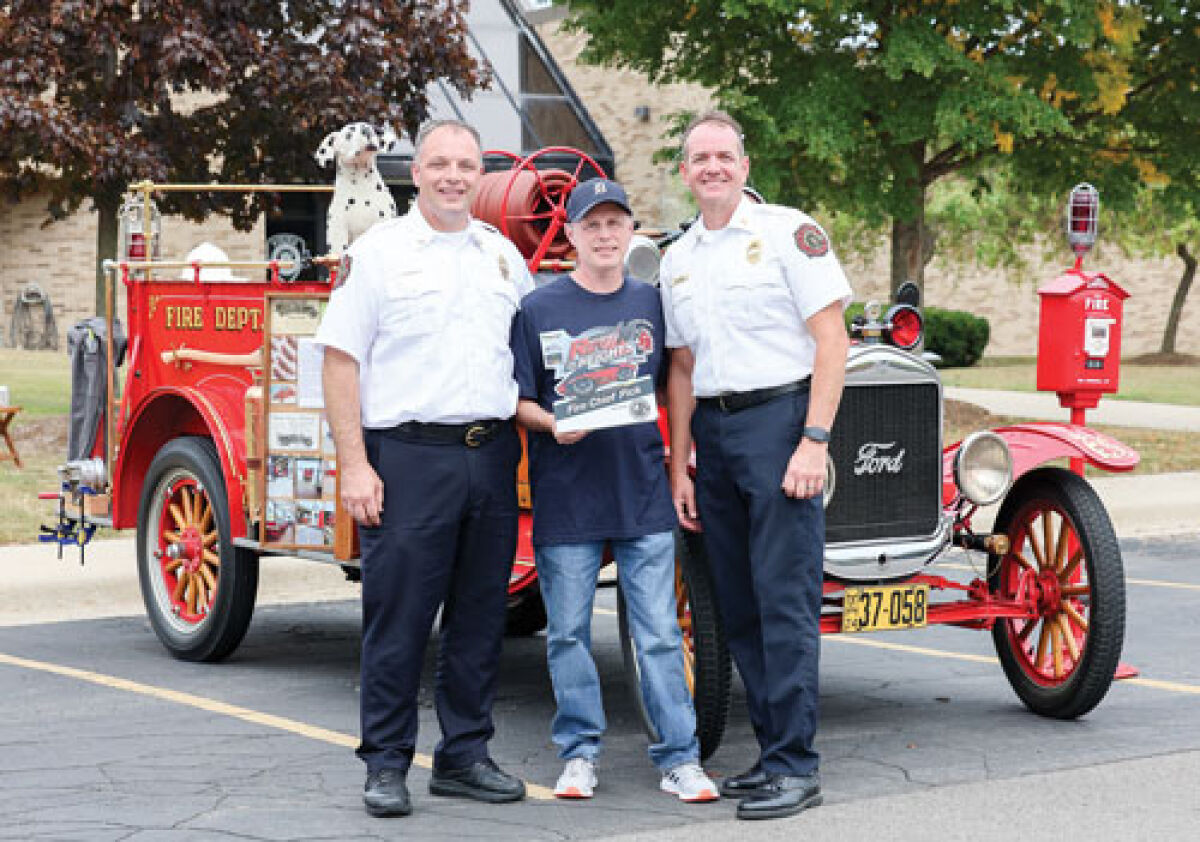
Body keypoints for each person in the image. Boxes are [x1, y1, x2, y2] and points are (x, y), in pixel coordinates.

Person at [316, 118, 534, 818]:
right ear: (417, 173)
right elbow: (340, 360)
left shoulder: (504, 257)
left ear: (481, 174)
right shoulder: (378, 253)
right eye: (439, 164)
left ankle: (464, 755)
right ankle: (384, 762)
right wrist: (355, 464)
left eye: (466, 166)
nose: (452, 177)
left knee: (479, 617)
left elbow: (532, 355)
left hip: (491, 454)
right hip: (408, 457)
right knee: (399, 619)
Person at [659, 111, 852, 821]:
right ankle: (772, 754)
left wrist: (815, 439)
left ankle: (798, 766)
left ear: (745, 163)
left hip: (780, 426)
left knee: (785, 601)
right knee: (738, 607)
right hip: (713, 432)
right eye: (699, 157)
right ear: (685, 171)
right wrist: (680, 464)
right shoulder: (678, 258)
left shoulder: (788, 233)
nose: (712, 167)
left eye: (724, 155)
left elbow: (831, 342)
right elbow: (681, 369)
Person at [510, 178, 719, 804]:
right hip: (567, 496)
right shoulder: (538, 309)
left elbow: (673, 388)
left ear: (632, 233)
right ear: (570, 234)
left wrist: (680, 466)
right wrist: (552, 423)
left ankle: (680, 758)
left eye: (615, 223)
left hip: (641, 496)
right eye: (591, 225)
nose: (604, 235)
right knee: (569, 633)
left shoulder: (653, 305)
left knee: (656, 632)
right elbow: (516, 399)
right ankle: (578, 755)